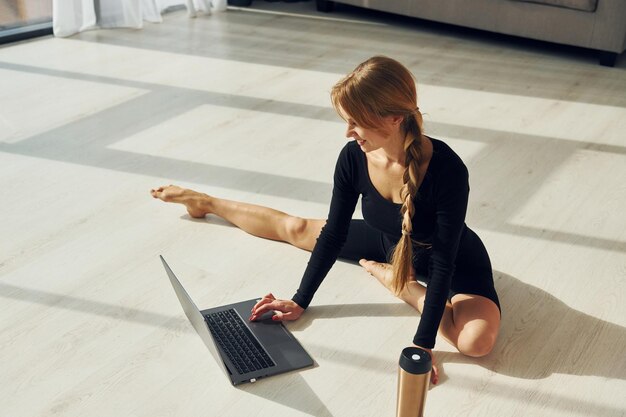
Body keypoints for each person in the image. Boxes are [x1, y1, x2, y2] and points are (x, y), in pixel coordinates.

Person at [150, 56, 501, 385]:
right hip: (386, 242)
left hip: (454, 263)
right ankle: (206, 202)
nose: (348, 131)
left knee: (476, 343)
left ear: (394, 118)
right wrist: (300, 300)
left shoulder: (447, 170)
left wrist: (423, 345)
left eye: (356, 121)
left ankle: (404, 286)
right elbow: (333, 233)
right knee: (296, 228)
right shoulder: (354, 157)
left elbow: (442, 263)